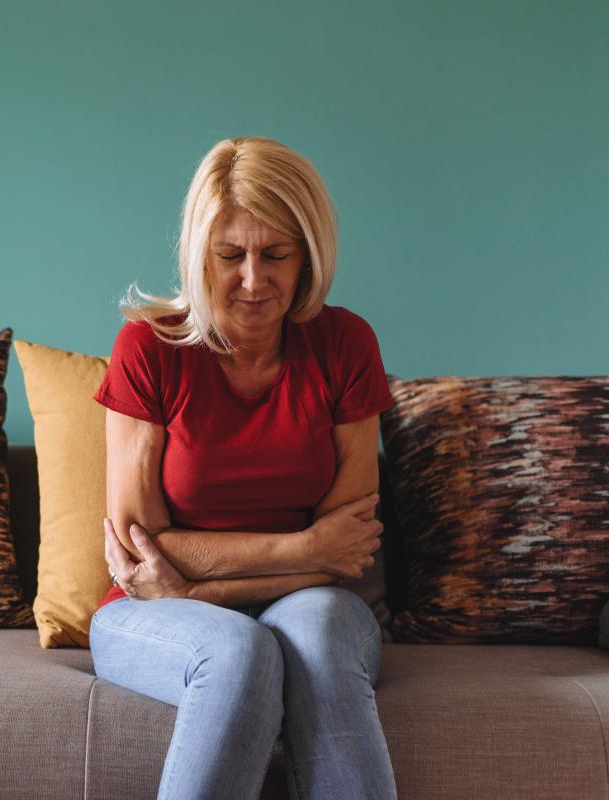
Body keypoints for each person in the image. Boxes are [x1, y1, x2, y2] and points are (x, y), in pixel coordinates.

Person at [89, 136, 397, 800]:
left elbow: (347, 553)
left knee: (316, 638)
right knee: (238, 650)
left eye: (276, 255)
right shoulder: (147, 348)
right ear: (200, 254)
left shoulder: (346, 344)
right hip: (145, 611)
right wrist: (304, 547)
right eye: (230, 255)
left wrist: (194, 591)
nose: (254, 281)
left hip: (288, 601)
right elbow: (143, 550)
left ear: (309, 254)